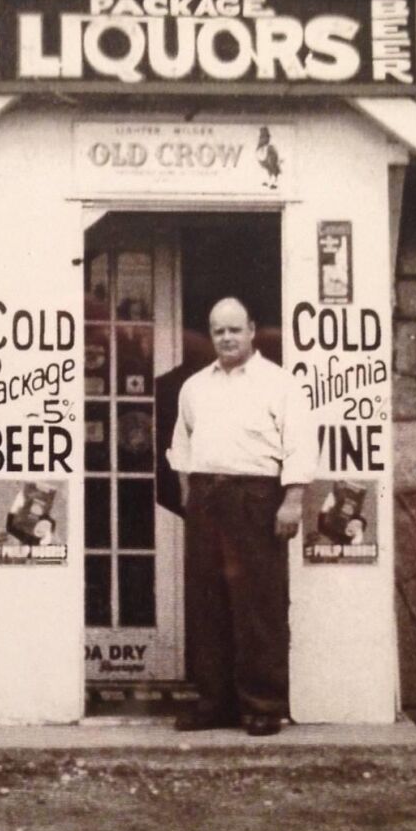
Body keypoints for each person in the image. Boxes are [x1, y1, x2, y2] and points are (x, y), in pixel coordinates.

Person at [166, 297, 315, 736]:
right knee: (207, 603)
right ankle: (214, 704)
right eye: (218, 331)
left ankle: (262, 705)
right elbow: (183, 450)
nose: (227, 338)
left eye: (235, 329)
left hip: (256, 498)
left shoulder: (280, 384)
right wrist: (192, 500)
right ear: (210, 335)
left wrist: (292, 501)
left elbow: (300, 446)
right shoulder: (194, 387)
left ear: (252, 330)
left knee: (257, 604)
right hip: (207, 498)